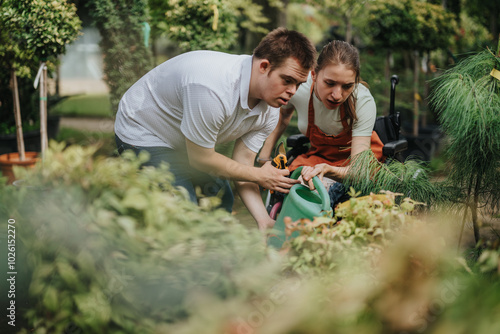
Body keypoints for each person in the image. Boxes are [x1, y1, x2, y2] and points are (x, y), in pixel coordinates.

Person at [114, 27, 317, 230]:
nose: (292, 91)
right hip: (144, 131)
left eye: (298, 84)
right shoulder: (212, 88)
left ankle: (211, 256)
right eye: (287, 80)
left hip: (185, 139)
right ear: (264, 66)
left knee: (221, 200)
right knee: (181, 212)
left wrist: (263, 220)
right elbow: (201, 158)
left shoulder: (270, 110)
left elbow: (244, 163)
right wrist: (259, 175)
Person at [259, 40, 384, 206]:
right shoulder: (299, 90)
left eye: (347, 86)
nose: (337, 95)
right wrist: (264, 158)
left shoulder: (362, 101)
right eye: (330, 83)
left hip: (354, 166)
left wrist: (329, 170)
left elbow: (358, 170)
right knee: (292, 185)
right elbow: (282, 118)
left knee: (321, 196)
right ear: (314, 75)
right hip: (318, 158)